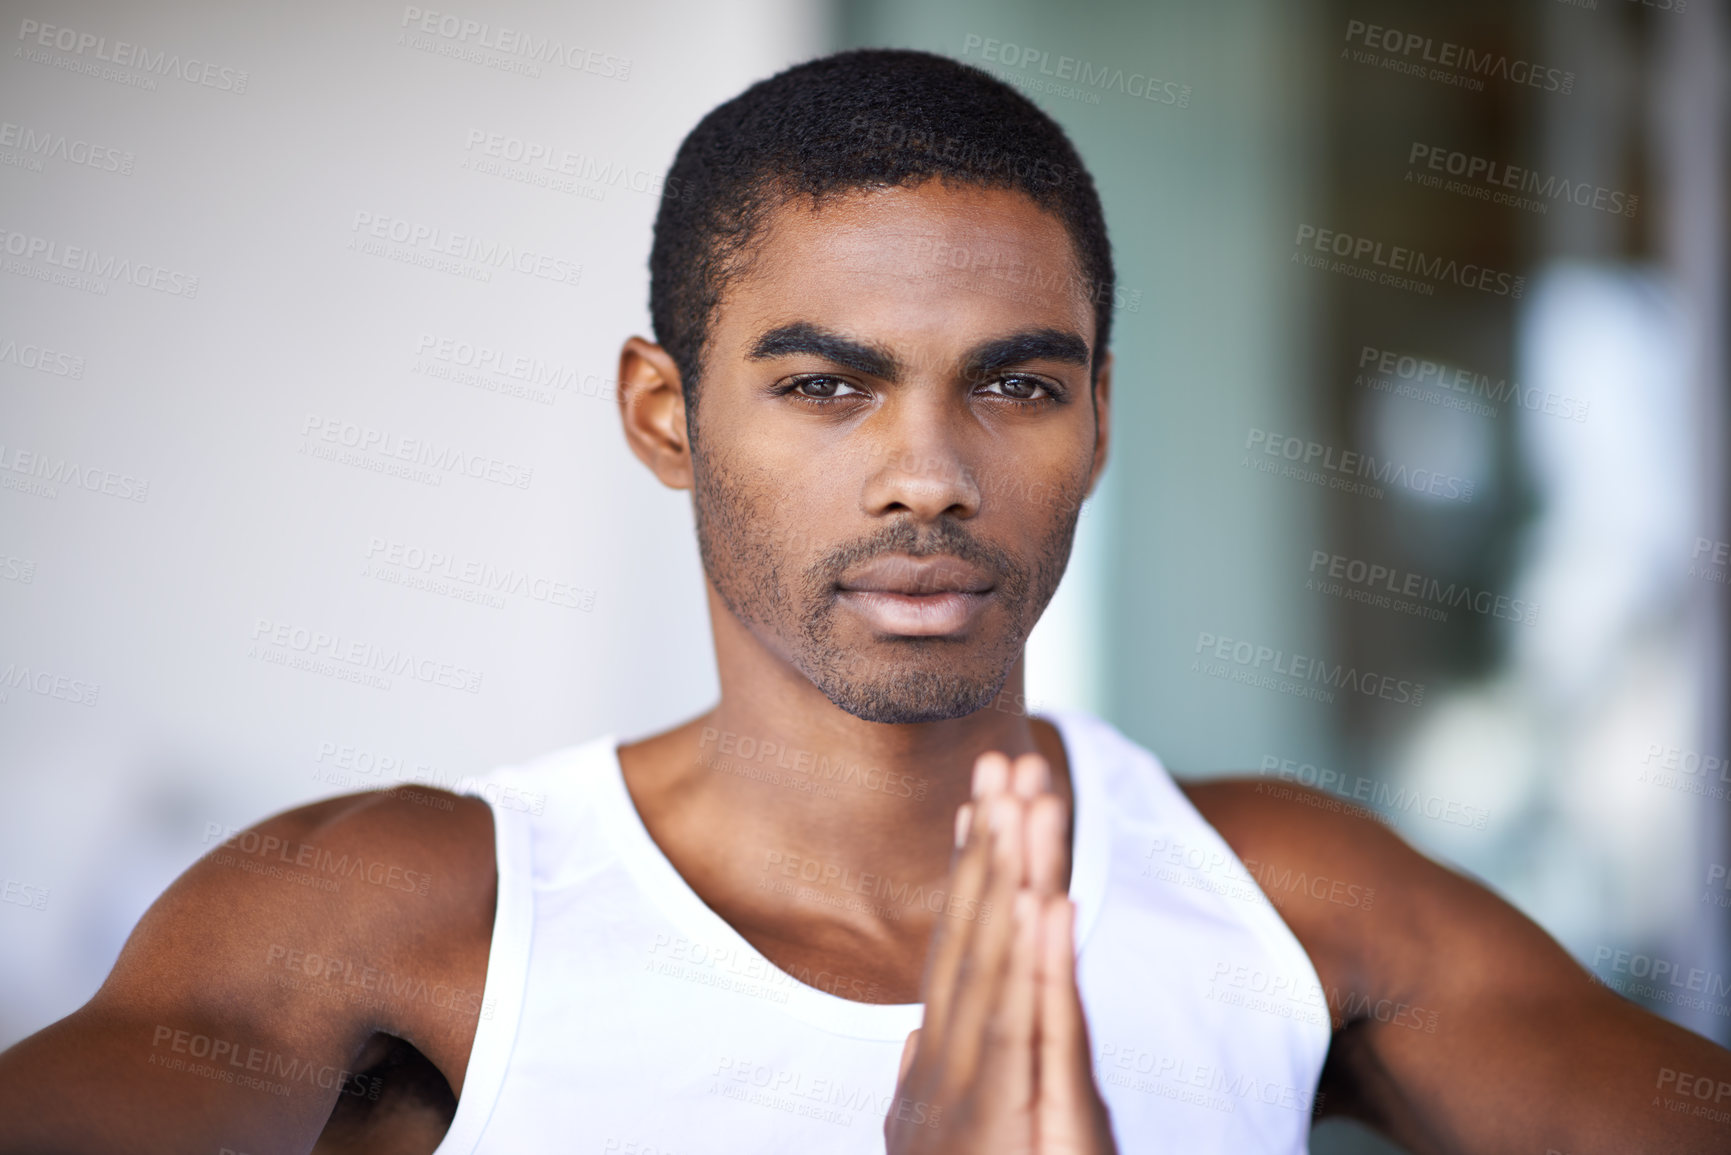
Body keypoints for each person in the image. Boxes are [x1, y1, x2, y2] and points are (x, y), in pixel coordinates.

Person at [2, 47, 1727, 1155]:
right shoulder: (392, 915)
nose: (930, 475)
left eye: (1018, 386)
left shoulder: (1293, 894)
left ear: (1101, 418)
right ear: (665, 418)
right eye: (828, 388)